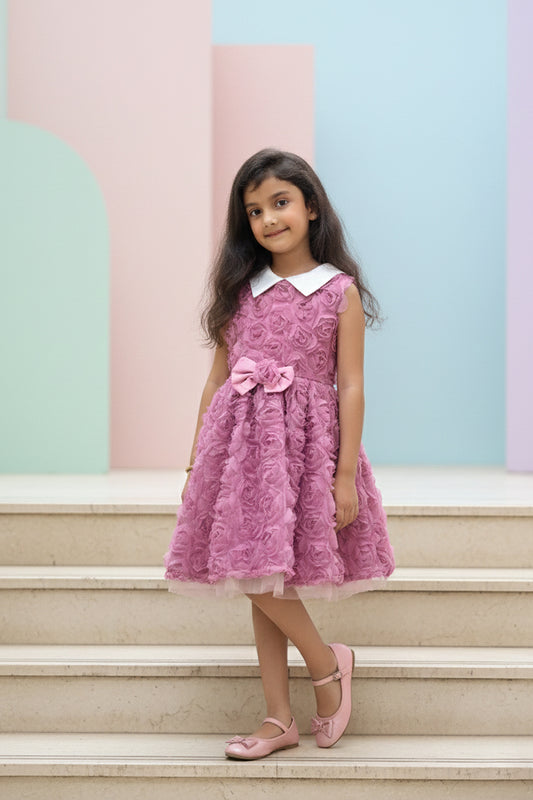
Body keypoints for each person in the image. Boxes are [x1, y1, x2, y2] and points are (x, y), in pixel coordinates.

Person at [164, 148, 395, 760]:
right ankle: (305, 687)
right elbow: (216, 382)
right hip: (240, 452)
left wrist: (343, 476)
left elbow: (350, 385)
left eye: (281, 203)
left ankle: (298, 697)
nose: (268, 219)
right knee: (253, 571)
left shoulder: (339, 293)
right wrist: (196, 463)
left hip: (305, 453)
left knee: (264, 574)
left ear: (311, 207)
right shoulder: (241, 292)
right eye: (255, 210)